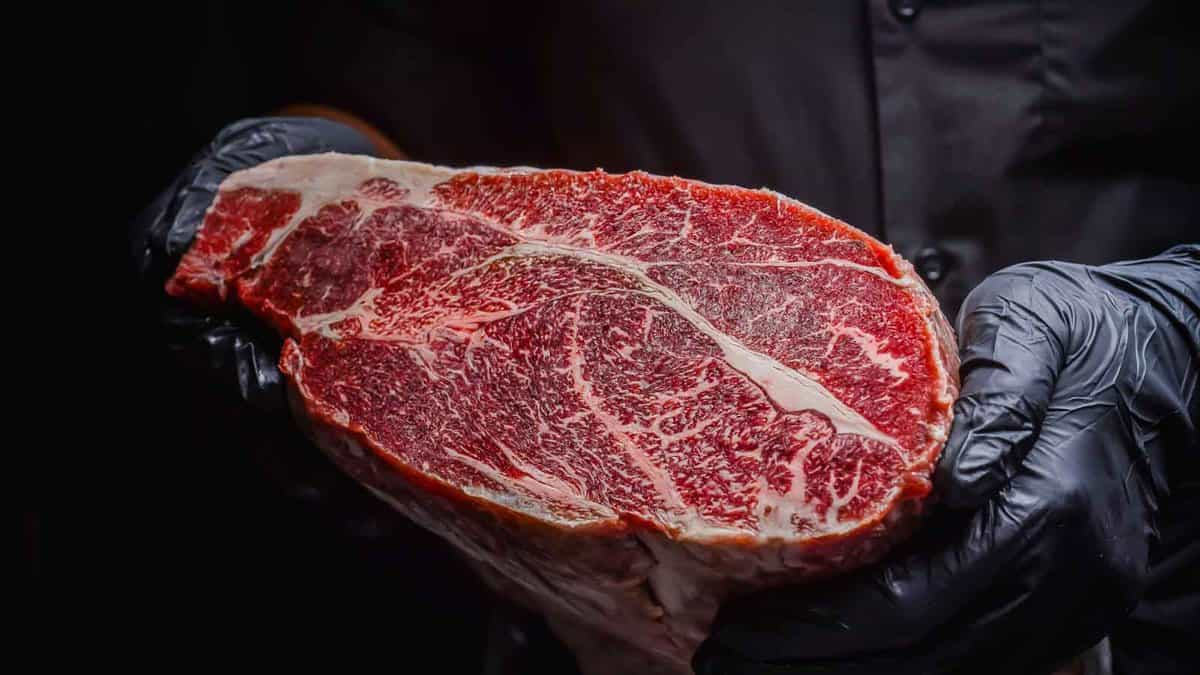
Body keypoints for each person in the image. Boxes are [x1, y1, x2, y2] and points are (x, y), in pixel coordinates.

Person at [129, 2, 1198, 673]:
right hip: (629, 618)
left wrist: (1177, 333)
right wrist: (320, 192)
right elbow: (403, 76)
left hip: (1146, 596)